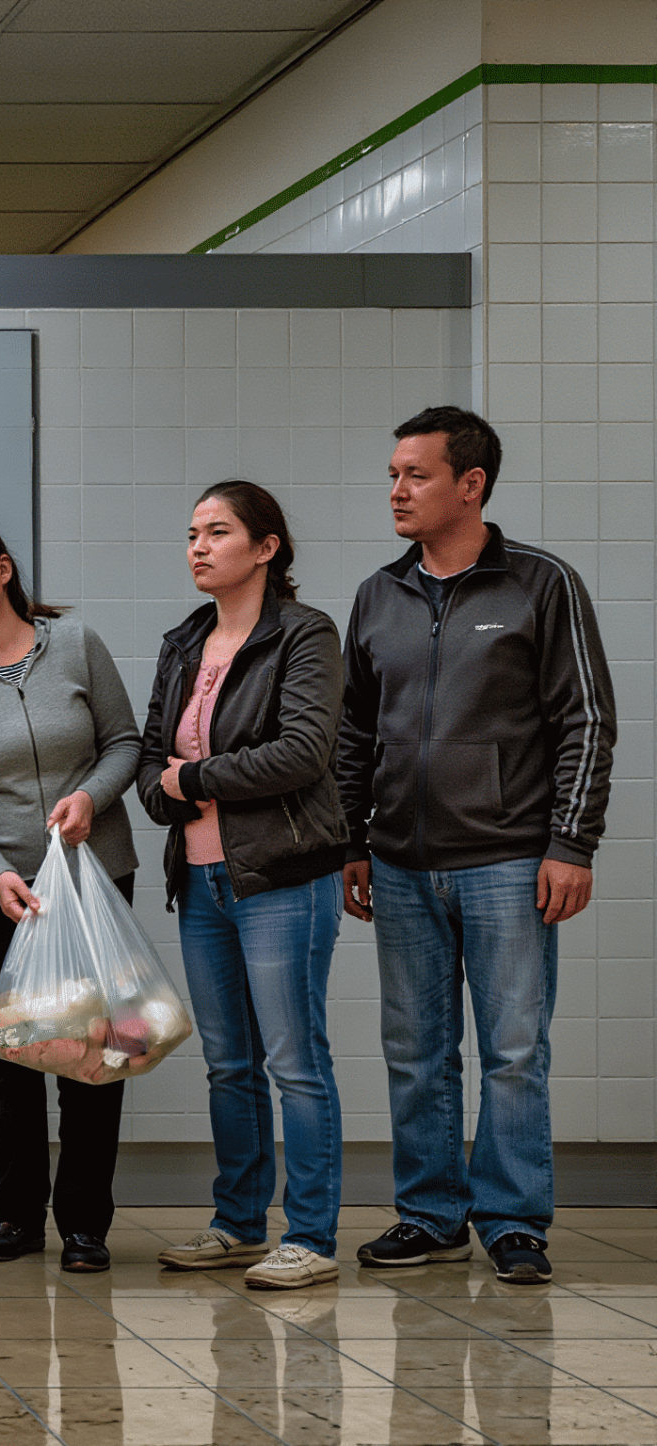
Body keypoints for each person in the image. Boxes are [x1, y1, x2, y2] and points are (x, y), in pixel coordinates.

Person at [337, 407, 614, 1286]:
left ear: (472, 485)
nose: (396, 490)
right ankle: (431, 1214)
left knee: (513, 1051)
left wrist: (571, 843)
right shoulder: (378, 594)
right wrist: (352, 840)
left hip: (509, 860)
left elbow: (588, 721)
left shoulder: (541, 584)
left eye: (415, 475)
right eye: (392, 474)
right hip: (400, 863)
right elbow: (353, 734)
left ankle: (513, 1221)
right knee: (415, 1051)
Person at [0, 514, 139, 1274]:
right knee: (12, 1056)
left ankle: (84, 1224)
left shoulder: (75, 645)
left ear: (3, 569)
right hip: (0, 893)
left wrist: (92, 801)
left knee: (92, 1053)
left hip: (93, 879)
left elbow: (125, 744)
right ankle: (16, 1216)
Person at [135, 482, 349, 1291]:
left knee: (295, 1060)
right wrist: (180, 785)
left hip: (283, 877)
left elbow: (302, 753)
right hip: (199, 880)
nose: (197, 546)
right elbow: (154, 768)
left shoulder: (304, 634)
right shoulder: (184, 640)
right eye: (191, 532)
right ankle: (237, 1224)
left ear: (266, 548)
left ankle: (313, 1236)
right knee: (229, 1062)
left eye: (217, 532)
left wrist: (193, 778)